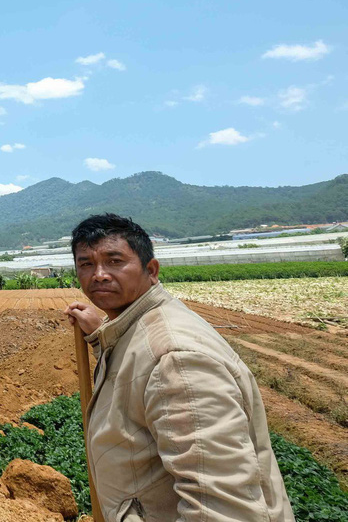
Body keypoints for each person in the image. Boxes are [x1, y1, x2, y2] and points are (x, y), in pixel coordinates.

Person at [64, 213, 293, 522]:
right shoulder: (139, 325)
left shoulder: (177, 362)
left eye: (114, 261)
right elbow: (136, 368)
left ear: (151, 270)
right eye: (86, 264)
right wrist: (100, 336)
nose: (99, 275)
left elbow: (223, 511)